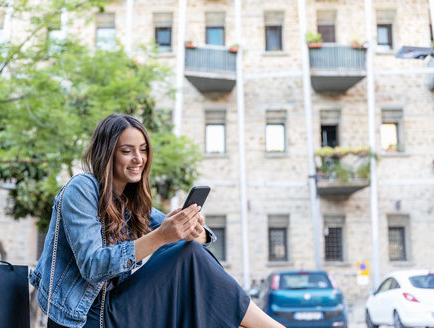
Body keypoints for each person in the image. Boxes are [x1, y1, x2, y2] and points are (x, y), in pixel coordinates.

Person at [29, 113, 284, 328]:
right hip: (86, 318)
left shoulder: (130, 201)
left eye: (143, 150)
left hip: (114, 307)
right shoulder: (81, 188)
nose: (138, 159)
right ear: (107, 154)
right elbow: (93, 266)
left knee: (188, 250)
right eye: (127, 151)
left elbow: (184, 238)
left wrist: (195, 230)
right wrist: (162, 235)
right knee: (185, 254)